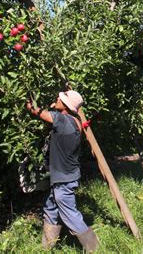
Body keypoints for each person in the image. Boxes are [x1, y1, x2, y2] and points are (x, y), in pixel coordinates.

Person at [26, 90, 99, 252]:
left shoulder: (61, 119)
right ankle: (47, 245)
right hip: (66, 175)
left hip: (63, 178)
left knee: (68, 213)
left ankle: (93, 246)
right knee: (50, 207)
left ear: (66, 105)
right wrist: (57, 107)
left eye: (61, 98)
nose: (57, 98)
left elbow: (39, 113)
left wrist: (29, 105)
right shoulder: (74, 121)